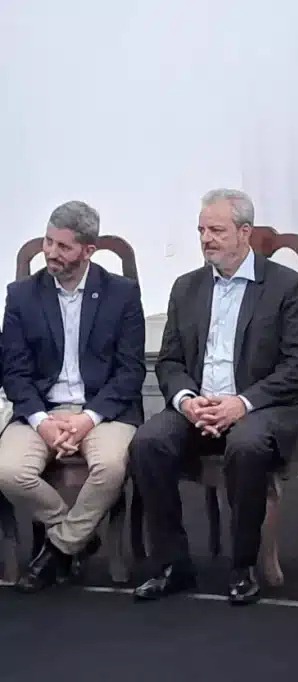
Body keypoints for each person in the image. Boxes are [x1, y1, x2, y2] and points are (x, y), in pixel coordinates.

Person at [129, 189, 298, 605]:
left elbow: (297, 366)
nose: (206, 239)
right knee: (147, 443)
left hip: (260, 406)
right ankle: (173, 564)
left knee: (246, 445)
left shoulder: (285, 286)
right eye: (201, 230)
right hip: (200, 403)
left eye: (216, 230)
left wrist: (241, 404)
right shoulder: (187, 287)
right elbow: (170, 361)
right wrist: (185, 400)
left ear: (245, 232)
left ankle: (242, 566)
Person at [0, 200, 145, 592]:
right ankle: (79, 535)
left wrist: (87, 420)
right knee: (7, 470)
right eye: (48, 241)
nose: (51, 252)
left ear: (88, 250)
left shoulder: (122, 294)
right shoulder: (21, 295)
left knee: (112, 467)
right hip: (41, 410)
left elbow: (130, 372)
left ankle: (59, 548)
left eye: (63, 246)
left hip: (104, 411)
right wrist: (42, 423)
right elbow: (13, 372)